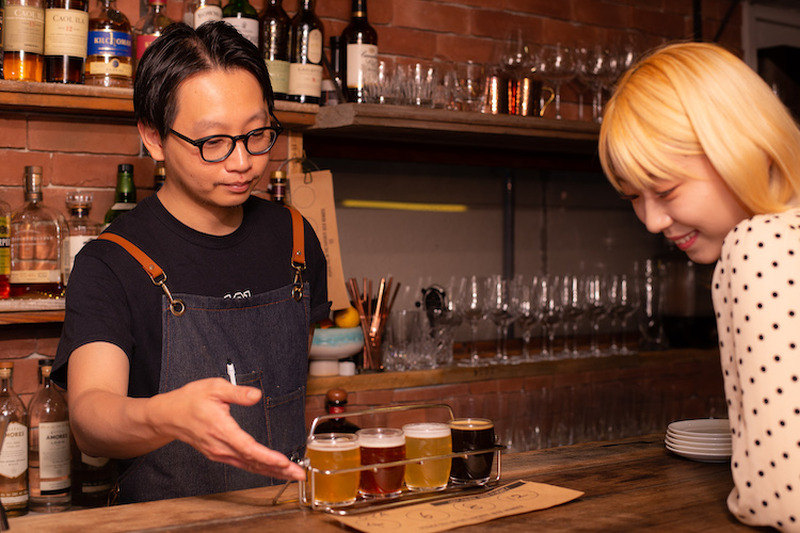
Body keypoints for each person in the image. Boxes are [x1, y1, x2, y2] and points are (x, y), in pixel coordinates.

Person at [52, 21, 330, 504]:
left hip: (289, 515)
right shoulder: (110, 262)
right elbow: (90, 419)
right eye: (213, 142)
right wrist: (167, 415)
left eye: (257, 133)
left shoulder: (295, 237)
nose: (242, 161)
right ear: (154, 138)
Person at [598, 41, 800, 531]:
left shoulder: (760, 245)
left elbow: (781, 500)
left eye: (665, 190)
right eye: (633, 197)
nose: (650, 220)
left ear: (740, 146)